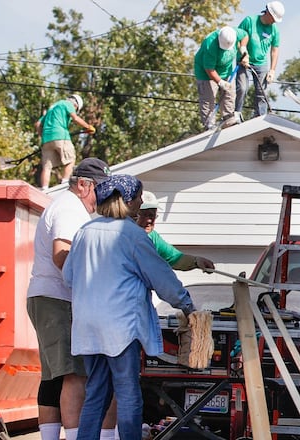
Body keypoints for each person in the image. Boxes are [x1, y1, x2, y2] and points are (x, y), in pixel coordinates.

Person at [62, 175, 197, 440]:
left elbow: (68, 276)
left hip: (87, 326)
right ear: (126, 201)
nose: (139, 203)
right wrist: (187, 305)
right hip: (120, 327)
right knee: (128, 394)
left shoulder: (84, 232)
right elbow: (162, 278)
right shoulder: (131, 235)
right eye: (137, 198)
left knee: (96, 392)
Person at [26, 158, 112, 440]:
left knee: (54, 376)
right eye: (100, 189)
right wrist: (93, 285)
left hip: (47, 297)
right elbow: (62, 253)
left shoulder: (66, 206)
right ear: (84, 185)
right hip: (58, 299)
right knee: (75, 374)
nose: (102, 196)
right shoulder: (69, 208)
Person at [136, 190, 215, 271]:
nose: (149, 220)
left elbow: (175, 258)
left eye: (152, 215)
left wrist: (196, 261)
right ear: (133, 214)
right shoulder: (124, 236)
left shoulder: (152, 237)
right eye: (143, 215)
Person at [34, 95, 97, 189]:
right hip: (61, 135)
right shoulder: (68, 104)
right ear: (76, 105)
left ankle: (44, 188)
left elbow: (38, 124)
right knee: (70, 159)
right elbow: (75, 118)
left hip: (46, 139)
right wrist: (88, 127)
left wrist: (43, 136)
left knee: (47, 167)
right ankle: (64, 183)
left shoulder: (53, 107)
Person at [235, 1, 284, 119]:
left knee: (261, 93)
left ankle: (260, 117)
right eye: (273, 18)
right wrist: (243, 54)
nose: (274, 21)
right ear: (267, 12)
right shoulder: (249, 21)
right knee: (242, 88)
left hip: (261, 64)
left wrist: (272, 70)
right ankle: (236, 114)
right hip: (244, 61)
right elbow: (237, 39)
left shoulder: (274, 30)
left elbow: (274, 50)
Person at [194, 26, 247, 130]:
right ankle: (209, 125)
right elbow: (209, 69)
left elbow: (245, 36)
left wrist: (243, 48)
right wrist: (220, 82)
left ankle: (229, 120)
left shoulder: (234, 33)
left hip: (226, 71)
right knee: (208, 99)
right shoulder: (210, 44)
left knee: (229, 95)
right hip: (206, 74)